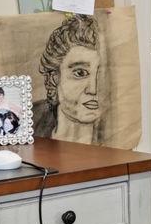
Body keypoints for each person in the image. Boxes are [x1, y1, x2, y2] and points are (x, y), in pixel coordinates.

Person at [33, 16, 105, 144]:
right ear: (54, 78)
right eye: (80, 73)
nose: (93, 89)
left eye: (100, 74)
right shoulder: (29, 121)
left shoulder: (115, 139)